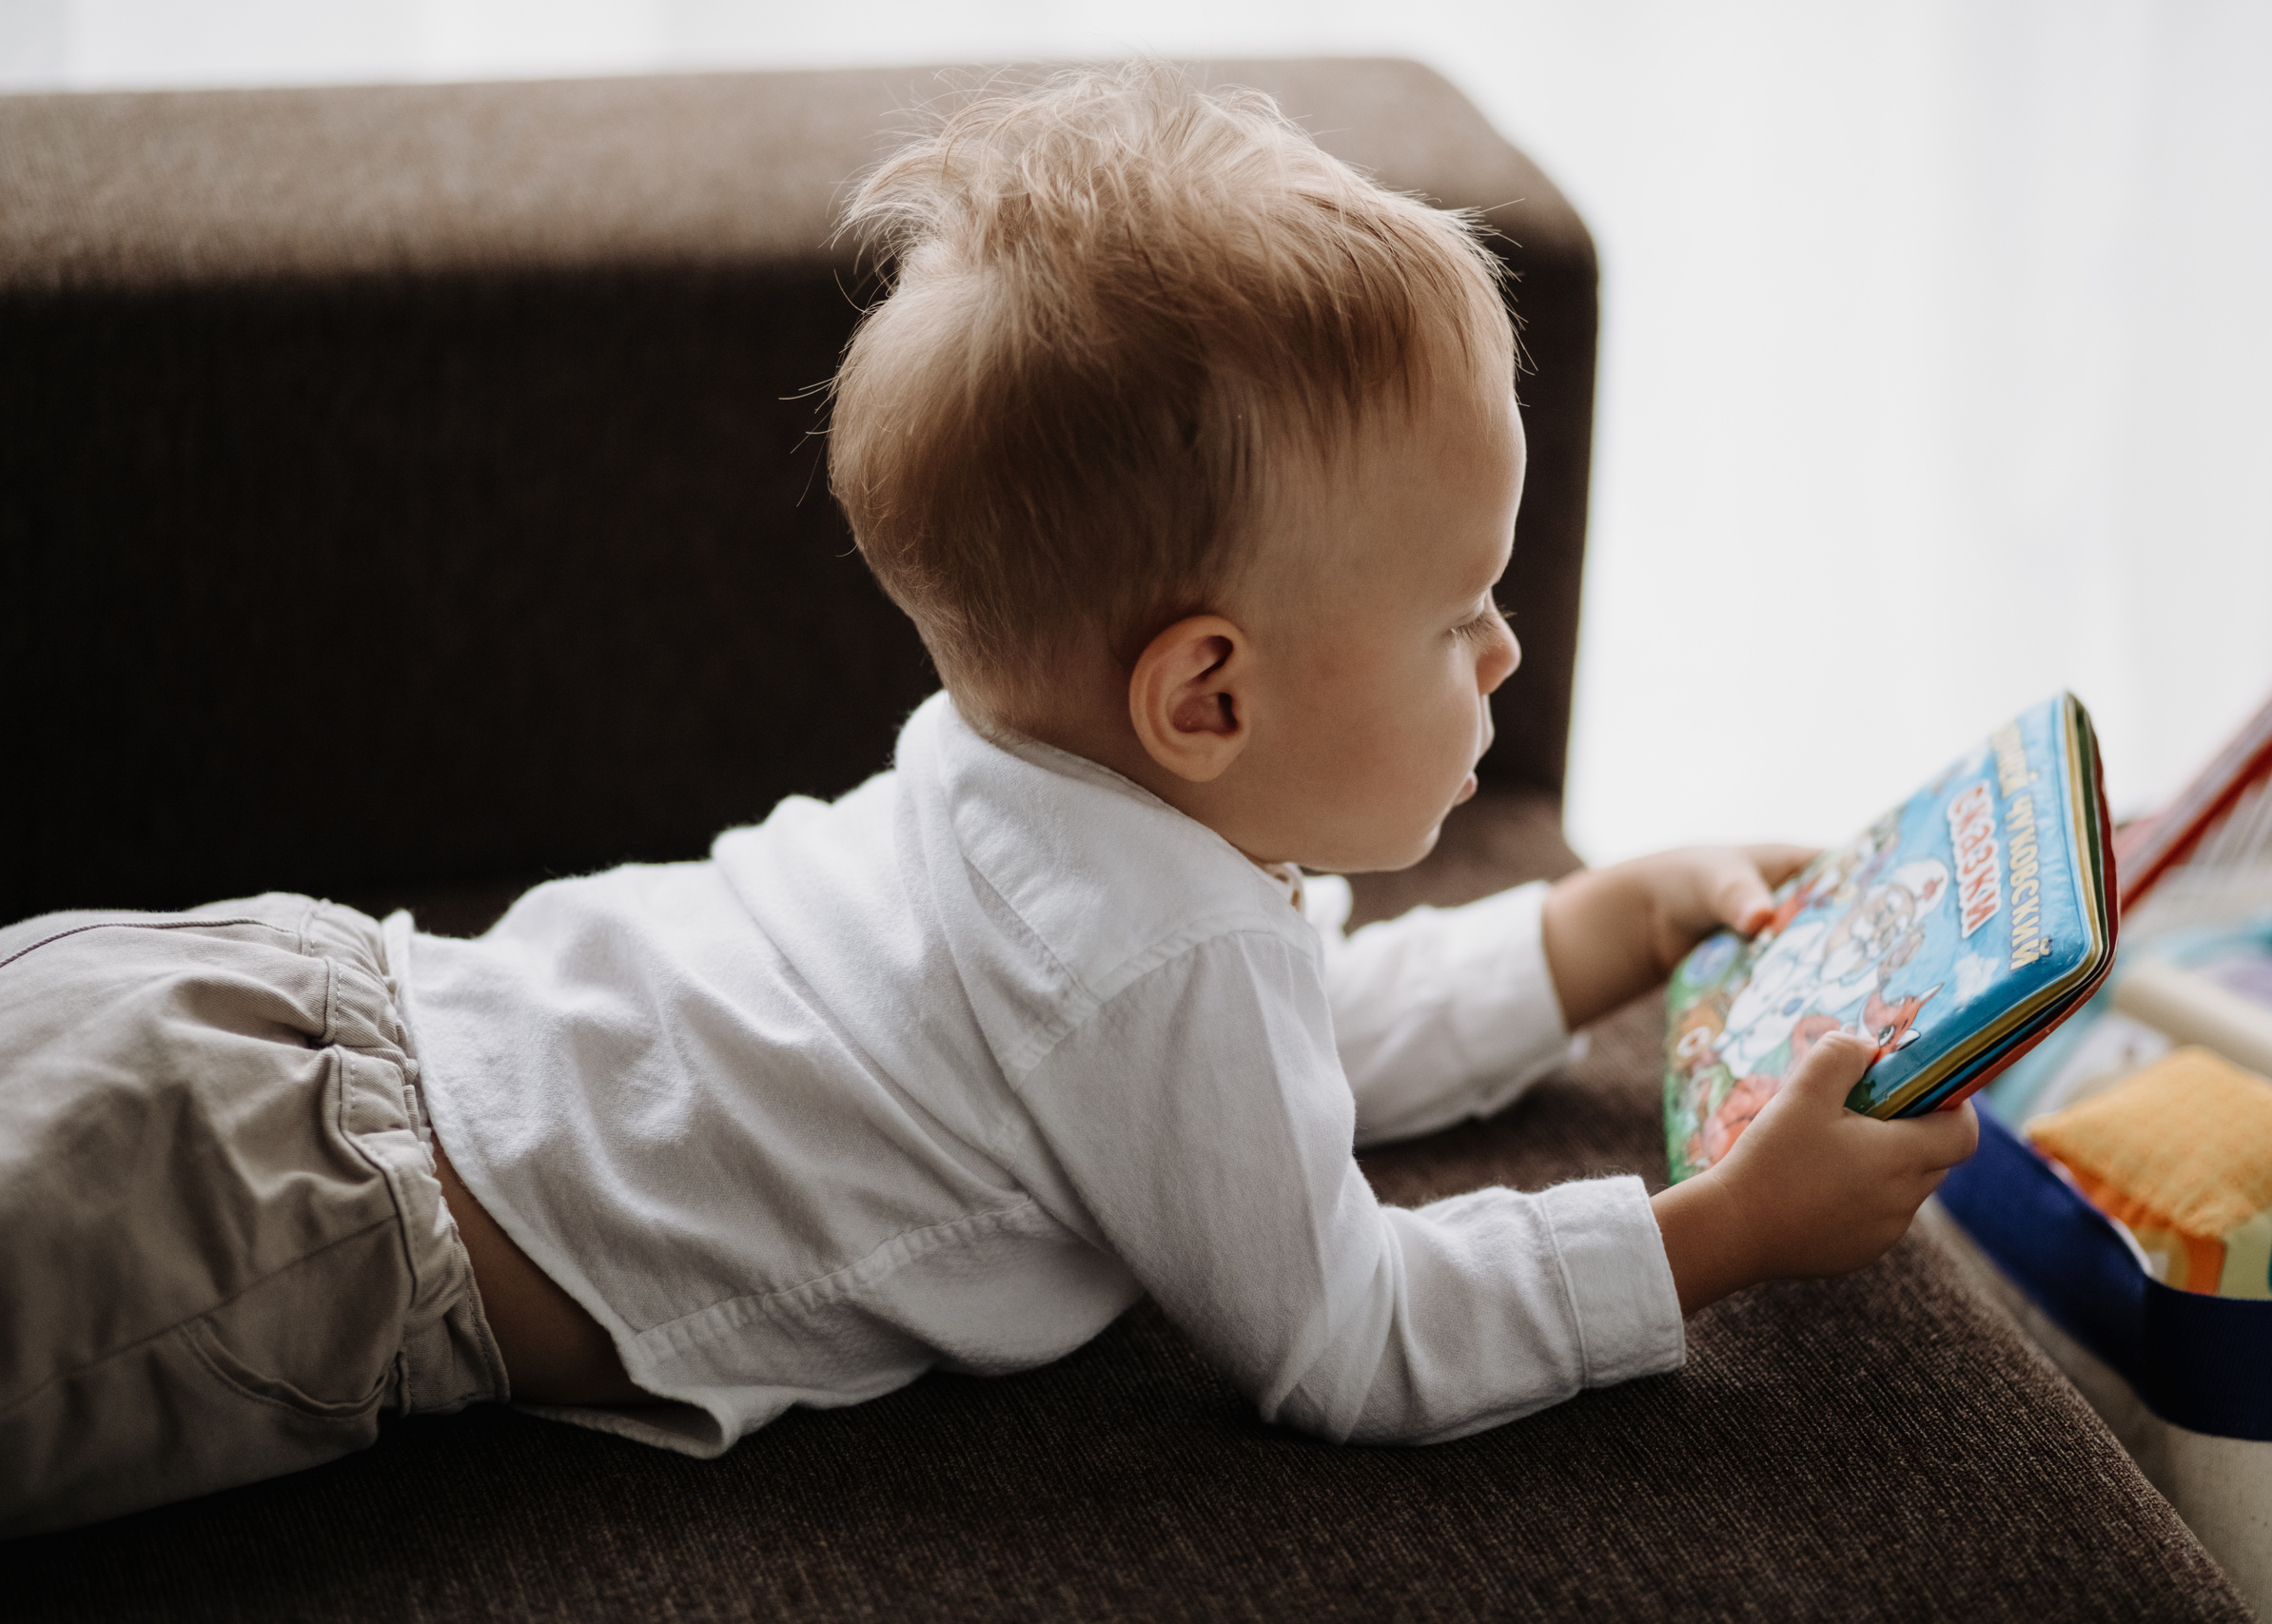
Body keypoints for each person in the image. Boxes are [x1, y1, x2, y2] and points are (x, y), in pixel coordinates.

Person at [0, 62, 1977, 1536]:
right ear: (1205, 690)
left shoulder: (1037, 798)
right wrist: (1717, 1230)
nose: (1502, 660)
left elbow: (1276, 1055)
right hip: (290, 1223)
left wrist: (1588, 928)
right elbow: (1347, 1334)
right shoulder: (1158, 948)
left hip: (277, 1012)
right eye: (1460, 611)